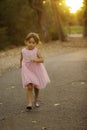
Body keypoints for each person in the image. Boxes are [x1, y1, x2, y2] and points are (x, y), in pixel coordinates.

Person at [20, 32, 50, 110]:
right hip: (27, 69)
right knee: (29, 86)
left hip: (36, 69)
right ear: (26, 41)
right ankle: (29, 103)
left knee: (36, 86)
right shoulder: (23, 50)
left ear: (36, 43)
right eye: (29, 42)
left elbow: (42, 59)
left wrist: (36, 59)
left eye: (33, 43)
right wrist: (20, 64)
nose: (31, 44)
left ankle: (36, 99)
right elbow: (21, 58)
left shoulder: (36, 51)